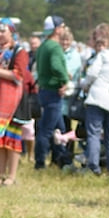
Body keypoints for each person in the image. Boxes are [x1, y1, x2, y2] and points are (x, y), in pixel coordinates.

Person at [0, 18, 30, 185]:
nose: (0, 34)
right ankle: (1, 174)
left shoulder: (19, 51)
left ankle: (12, 176)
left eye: (3, 31)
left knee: (12, 137)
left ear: (12, 33)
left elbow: (18, 75)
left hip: (13, 99)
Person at [81, 25, 109, 175]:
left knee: (93, 134)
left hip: (97, 97)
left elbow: (92, 73)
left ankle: (93, 167)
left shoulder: (104, 55)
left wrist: (85, 85)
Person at [34, 16, 71, 169]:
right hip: (52, 92)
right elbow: (56, 66)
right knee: (46, 130)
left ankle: (60, 158)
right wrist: (64, 80)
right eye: (62, 26)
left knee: (59, 128)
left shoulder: (43, 46)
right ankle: (40, 162)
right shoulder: (55, 47)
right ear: (56, 29)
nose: (63, 29)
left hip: (44, 90)